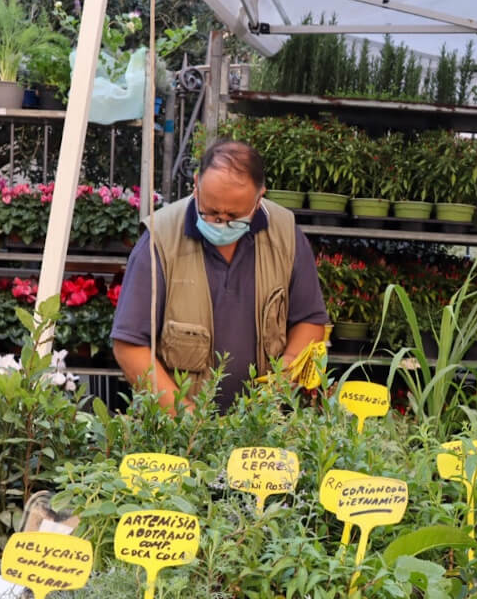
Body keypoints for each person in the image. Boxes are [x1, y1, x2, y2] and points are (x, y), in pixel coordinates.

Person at [111, 139, 328, 412]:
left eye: (234, 216)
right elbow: (129, 345)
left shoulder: (285, 234)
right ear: (196, 184)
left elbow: (310, 320)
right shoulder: (160, 239)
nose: (220, 222)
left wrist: (284, 373)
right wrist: (185, 419)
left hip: (266, 424)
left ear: (259, 197)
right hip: (180, 425)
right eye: (211, 212)